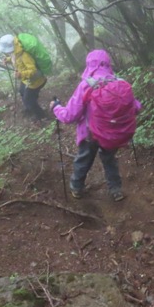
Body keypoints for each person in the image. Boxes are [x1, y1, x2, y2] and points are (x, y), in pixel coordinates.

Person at [50, 49, 141, 202]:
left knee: (84, 160)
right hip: (113, 133)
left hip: (90, 133)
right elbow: (136, 107)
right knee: (109, 159)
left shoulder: (86, 85)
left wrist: (56, 107)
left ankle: (77, 188)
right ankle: (116, 190)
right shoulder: (120, 82)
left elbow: (70, 116)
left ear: (89, 65)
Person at [0, 33, 49, 122]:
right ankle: (29, 108)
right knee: (22, 91)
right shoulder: (15, 52)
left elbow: (32, 70)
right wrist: (8, 60)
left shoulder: (24, 55)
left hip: (35, 81)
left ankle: (41, 116)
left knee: (29, 100)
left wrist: (21, 74)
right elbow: (16, 60)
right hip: (27, 80)